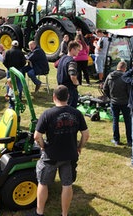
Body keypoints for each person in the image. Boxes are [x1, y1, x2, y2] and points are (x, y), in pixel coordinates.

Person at [33, 85, 90, 216]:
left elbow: (36, 136)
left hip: (51, 157)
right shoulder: (77, 113)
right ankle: (64, 214)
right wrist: (79, 147)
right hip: (70, 156)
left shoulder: (47, 114)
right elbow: (86, 135)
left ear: (54, 97)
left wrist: (42, 146)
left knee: (43, 183)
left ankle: (39, 212)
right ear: (68, 97)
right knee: (67, 184)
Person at [103, 61, 131, 146]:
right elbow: (129, 91)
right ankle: (130, 140)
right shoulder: (125, 77)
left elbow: (105, 88)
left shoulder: (110, 76)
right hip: (125, 102)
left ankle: (116, 139)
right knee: (128, 121)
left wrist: (110, 97)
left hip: (114, 102)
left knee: (115, 120)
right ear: (124, 68)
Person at [57, 41, 81, 108]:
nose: (78, 52)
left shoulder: (62, 58)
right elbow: (72, 75)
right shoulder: (71, 61)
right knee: (70, 110)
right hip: (69, 89)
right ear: (73, 49)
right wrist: (76, 83)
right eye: (78, 50)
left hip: (60, 88)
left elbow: (56, 66)